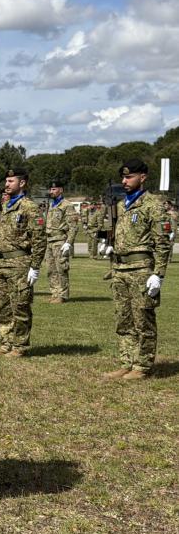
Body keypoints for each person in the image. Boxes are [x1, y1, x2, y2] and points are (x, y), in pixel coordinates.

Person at [101, 159, 172, 380]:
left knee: (143, 318)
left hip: (142, 268)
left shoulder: (153, 204)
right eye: (123, 177)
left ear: (143, 177)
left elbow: (162, 242)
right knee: (124, 319)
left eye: (129, 177)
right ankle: (127, 361)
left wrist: (158, 274)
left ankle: (142, 365)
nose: (125, 181)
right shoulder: (121, 206)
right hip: (120, 268)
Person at [0, 167, 47, 357]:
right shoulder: (6, 206)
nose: (6, 184)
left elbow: (39, 239)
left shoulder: (29, 207)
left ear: (22, 183)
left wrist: (35, 266)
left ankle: (20, 345)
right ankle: (6, 342)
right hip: (1, 263)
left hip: (20, 263)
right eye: (6, 181)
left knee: (20, 306)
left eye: (10, 181)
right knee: (3, 306)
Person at [44, 180, 79, 303]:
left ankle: (63, 295)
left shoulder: (66, 205)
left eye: (54, 189)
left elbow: (73, 226)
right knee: (50, 269)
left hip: (60, 240)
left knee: (61, 269)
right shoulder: (51, 204)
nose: (51, 191)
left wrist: (68, 242)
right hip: (49, 240)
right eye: (50, 189)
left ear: (61, 190)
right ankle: (55, 293)